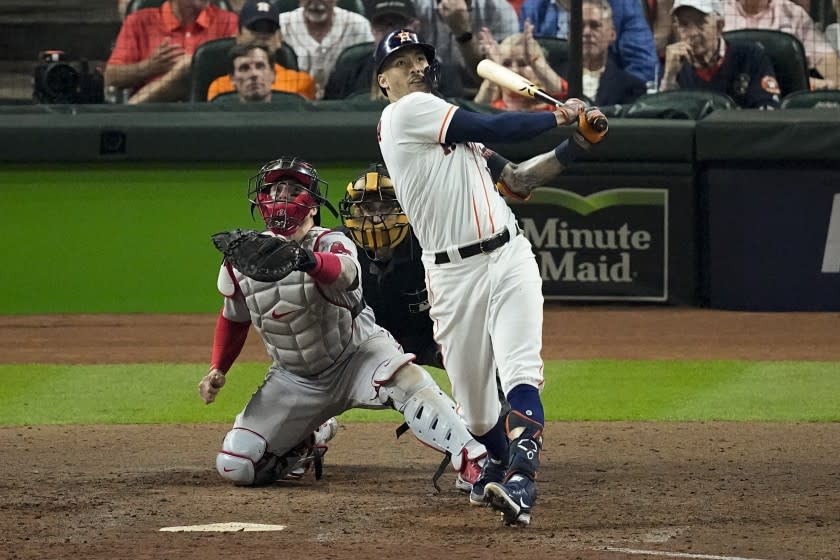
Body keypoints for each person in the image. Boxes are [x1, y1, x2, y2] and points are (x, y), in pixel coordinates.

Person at [374, 29, 608, 525]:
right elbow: (499, 127)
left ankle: (521, 479)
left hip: (508, 257)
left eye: (420, 58)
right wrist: (559, 114)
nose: (415, 66)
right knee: (478, 416)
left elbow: (520, 180)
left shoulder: (448, 126)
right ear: (382, 81)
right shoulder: (405, 115)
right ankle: (499, 465)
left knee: (521, 371)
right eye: (401, 61)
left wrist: (576, 145)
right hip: (451, 278)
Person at [199, 156, 486, 491]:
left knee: (406, 379)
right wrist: (218, 367)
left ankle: (473, 459)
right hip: (295, 379)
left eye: (292, 190)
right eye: (275, 189)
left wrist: (307, 260)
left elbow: (346, 274)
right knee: (237, 466)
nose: (282, 196)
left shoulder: (330, 242)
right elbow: (233, 318)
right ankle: (309, 438)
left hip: (358, 357)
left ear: (312, 205)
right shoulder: (241, 258)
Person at [323, 0, 465, 99]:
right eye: (381, 25)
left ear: (414, 26)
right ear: (372, 29)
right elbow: (330, 114)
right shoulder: (349, 70)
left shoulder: (441, 72)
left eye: (397, 24)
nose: (390, 32)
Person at [105, 0, 238, 103]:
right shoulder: (139, 21)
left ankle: (132, 107)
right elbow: (111, 77)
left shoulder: (228, 21)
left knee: (187, 66)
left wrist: (195, 67)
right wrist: (148, 67)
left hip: (205, 114)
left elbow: (238, 70)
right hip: (152, 115)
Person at [660, 0, 781, 109]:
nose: (692, 33)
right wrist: (669, 77)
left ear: (719, 26)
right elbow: (662, 120)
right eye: (684, 25)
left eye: (700, 23)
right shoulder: (675, 65)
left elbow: (768, 110)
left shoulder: (751, 56)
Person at [519, 0, 659, 83]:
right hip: (549, 98)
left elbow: (644, 69)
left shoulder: (624, 6)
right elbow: (523, 62)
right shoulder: (533, 7)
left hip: (608, 101)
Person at [206, 0, 317, 101]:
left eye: (269, 29)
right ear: (238, 36)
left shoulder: (301, 83)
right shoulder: (219, 87)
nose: (262, 36)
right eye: (255, 28)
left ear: (279, 39)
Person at [723, 0, 840, 89]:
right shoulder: (718, 11)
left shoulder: (792, 13)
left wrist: (834, 83)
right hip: (730, 99)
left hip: (785, 109)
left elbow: (827, 60)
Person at [279, 0, 374, 99]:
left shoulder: (359, 25)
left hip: (344, 102)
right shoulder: (282, 24)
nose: (316, 3)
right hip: (294, 103)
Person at [413, 0, 520, 87]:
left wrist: (463, 33)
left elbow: (503, 83)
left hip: (479, 98)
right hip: (427, 92)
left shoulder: (499, 9)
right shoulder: (412, 6)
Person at [473, 24, 569, 109]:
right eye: (506, 64)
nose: (515, 70)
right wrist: (495, 68)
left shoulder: (552, 109)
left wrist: (535, 61)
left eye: (523, 63)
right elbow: (477, 107)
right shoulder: (494, 109)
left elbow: (558, 91)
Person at [576, 0, 647, 105]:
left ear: (612, 34)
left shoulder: (631, 87)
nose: (586, 32)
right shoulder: (556, 78)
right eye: (580, 26)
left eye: (595, 26)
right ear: (569, 35)